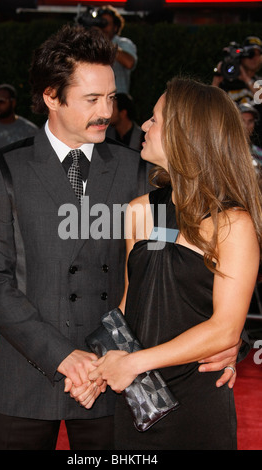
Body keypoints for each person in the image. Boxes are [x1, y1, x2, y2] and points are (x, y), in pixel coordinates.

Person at [0, 25, 243, 451]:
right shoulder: (7, 168)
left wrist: (229, 342)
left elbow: (194, 264)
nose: (107, 111)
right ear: (51, 97)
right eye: (92, 99)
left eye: (111, 97)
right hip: (26, 373)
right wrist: (61, 355)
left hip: (116, 380)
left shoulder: (138, 170)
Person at [88, 78, 262, 450]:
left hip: (196, 404)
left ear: (188, 134)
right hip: (138, 402)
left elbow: (224, 331)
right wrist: (100, 364)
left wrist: (134, 364)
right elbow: (129, 305)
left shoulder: (233, 223)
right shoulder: (138, 211)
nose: (145, 127)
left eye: (155, 119)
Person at [99, 5, 137, 93]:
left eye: (106, 23)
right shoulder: (92, 43)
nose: (103, 27)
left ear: (115, 27)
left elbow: (129, 62)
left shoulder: (123, 43)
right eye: (101, 23)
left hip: (119, 99)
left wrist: (104, 42)